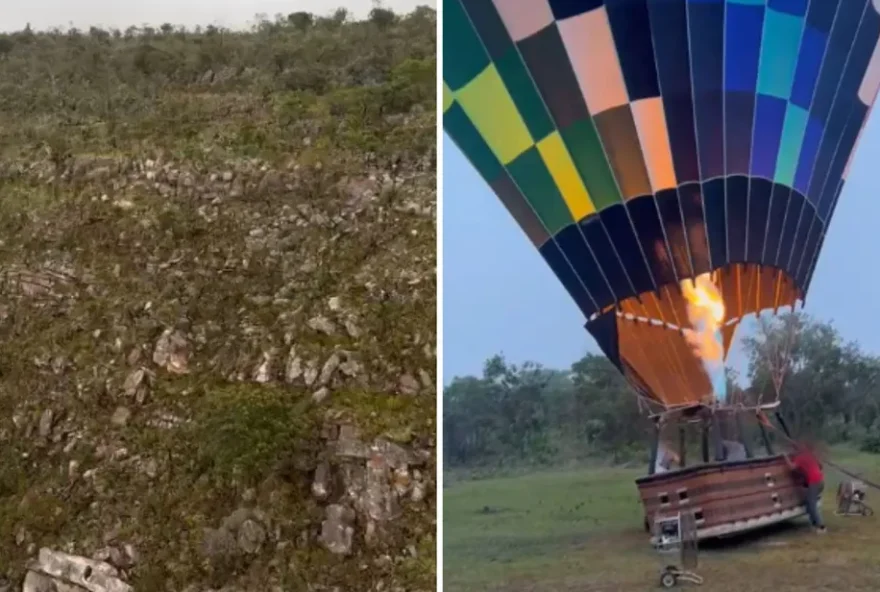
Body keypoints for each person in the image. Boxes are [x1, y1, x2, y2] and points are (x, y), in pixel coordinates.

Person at [785, 441, 827, 534]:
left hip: (814, 482)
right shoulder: (810, 455)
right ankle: (814, 524)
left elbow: (792, 467)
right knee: (809, 503)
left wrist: (785, 458)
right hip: (821, 480)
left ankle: (821, 527)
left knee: (811, 505)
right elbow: (820, 466)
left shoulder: (800, 458)